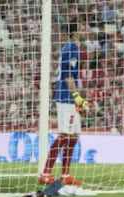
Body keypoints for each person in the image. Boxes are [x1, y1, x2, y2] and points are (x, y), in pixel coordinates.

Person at [38, 20, 87, 185]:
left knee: (73, 136)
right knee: (64, 134)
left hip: (70, 97)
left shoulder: (72, 48)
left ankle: (65, 174)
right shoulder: (72, 48)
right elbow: (67, 75)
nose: (84, 29)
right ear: (75, 32)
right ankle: (45, 172)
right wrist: (76, 96)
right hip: (66, 97)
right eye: (82, 27)